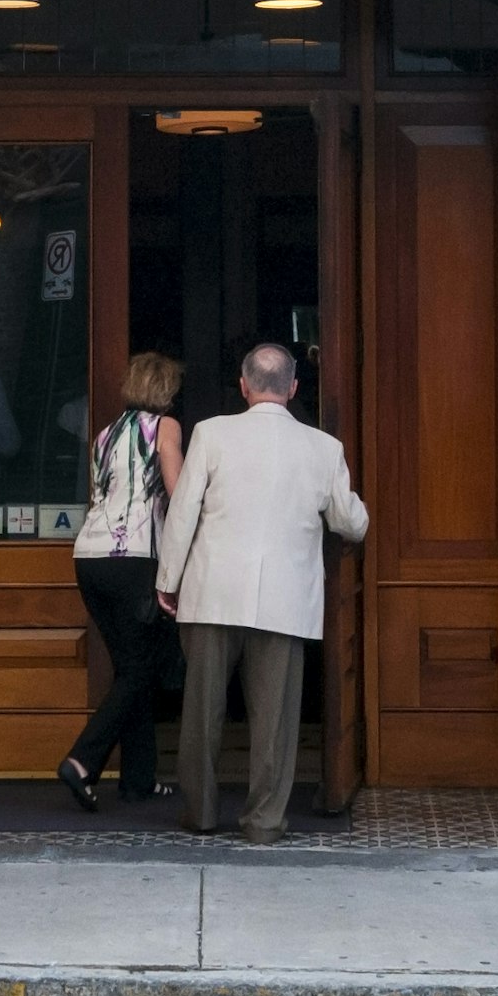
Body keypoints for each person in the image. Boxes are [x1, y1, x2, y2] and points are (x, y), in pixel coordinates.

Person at [156, 343, 366, 843]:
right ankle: (264, 822)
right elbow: (350, 522)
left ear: (244, 386)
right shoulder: (324, 448)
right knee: (275, 720)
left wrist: (168, 581)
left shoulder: (211, 433)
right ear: (293, 388)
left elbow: (183, 512)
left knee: (202, 712)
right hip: (284, 601)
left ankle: (200, 814)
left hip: (212, 591)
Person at [59, 350, 187, 812]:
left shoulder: (105, 434)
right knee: (141, 668)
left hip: (89, 558)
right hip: (132, 558)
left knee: (132, 668)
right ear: (166, 390)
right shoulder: (165, 427)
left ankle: (138, 780)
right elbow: (178, 492)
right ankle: (81, 760)